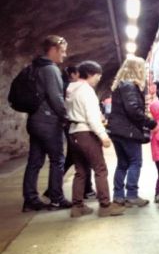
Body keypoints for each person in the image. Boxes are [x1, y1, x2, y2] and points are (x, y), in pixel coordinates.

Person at [66, 61, 125, 218]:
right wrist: (103, 136)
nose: (98, 79)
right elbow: (92, 118)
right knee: (100, 169)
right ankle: (105, 206)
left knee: (80, 171)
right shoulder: (86, 91)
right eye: (98, 76)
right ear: (91, 74)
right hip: (86, 132)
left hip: (73, 132)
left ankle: (77, 207)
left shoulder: (71, 90)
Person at [22, 35, 72, 212]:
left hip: (34, 120)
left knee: (34, 161)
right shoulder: (50, 69)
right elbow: (56, 97)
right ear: (53, 49)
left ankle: (30, 200)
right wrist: (66, 116)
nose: (64, 56)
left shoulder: (34, 67)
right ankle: (56, 198)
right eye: (63, 51)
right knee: (57, 159)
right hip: (49, 121)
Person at [108, 56, 157, 207]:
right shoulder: (129, 86)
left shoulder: (120, 86)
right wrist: (151, 123)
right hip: (127, 131)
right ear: (137, 69)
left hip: (117, 131)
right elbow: (133, 110)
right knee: (135, 162)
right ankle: (131, 195)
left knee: (122, 163)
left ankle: (118, 195)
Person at [44, 65, 95, 200]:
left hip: (69, 127)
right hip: (75, 127)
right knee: (81, 158)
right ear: (73, 74)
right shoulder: (72, 88)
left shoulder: (65, 86)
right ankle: (86, 190)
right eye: (78, 74)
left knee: (73, 159)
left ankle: (53, 189)